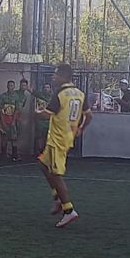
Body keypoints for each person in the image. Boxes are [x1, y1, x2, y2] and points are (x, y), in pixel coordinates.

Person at [35, 64, 92, 228]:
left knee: (56, 175)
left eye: (55, 75)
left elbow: (47, 115)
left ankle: (68, 210)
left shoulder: (60, 93)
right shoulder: (80, 94)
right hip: (67, 136)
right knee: (42, 165)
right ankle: (57, 198)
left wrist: (36, 113)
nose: (53, 77)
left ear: (63, 76)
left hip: (57, 139)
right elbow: (89, 115)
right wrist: (81, 128)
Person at [0, 80, 22, 162]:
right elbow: (0, 110)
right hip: (4, 119)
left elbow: (17, 110)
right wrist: (2, 122)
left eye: (12, 85)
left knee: (14, 138)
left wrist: (13, 121)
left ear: (14, 86)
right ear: (7, 86)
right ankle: (3, 154)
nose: (10, 87)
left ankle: (14, 155)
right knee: (4, 137)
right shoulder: (2, 96)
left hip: (13, 120)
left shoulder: (16, 96)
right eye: (9, 85)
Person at [32, 82, 54, 154]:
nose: (46, 89)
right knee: (39, 136)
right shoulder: (39, 94)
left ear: (50, 89)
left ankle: (47, 151)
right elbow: (30, 90)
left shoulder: (53, 97)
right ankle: (39, 151)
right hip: (40, 120)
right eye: (45, 87)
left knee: (48, 137)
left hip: (49, 120)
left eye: (47, 87)